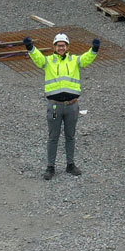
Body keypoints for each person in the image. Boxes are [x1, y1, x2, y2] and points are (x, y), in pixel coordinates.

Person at [25, 33, 100, 178]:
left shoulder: (75, 60)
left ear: (67, 47)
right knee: (53, 136)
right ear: (54, 47)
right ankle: (50, 167)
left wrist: (94, 50)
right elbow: (37, 57)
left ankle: (70, 165)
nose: (61, 47)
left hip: (72, 106)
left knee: (70, 136)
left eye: (63, 45)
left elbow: (86, 58)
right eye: (59, 45)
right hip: (55, 107)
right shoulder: (48, 61)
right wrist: (30, 47)